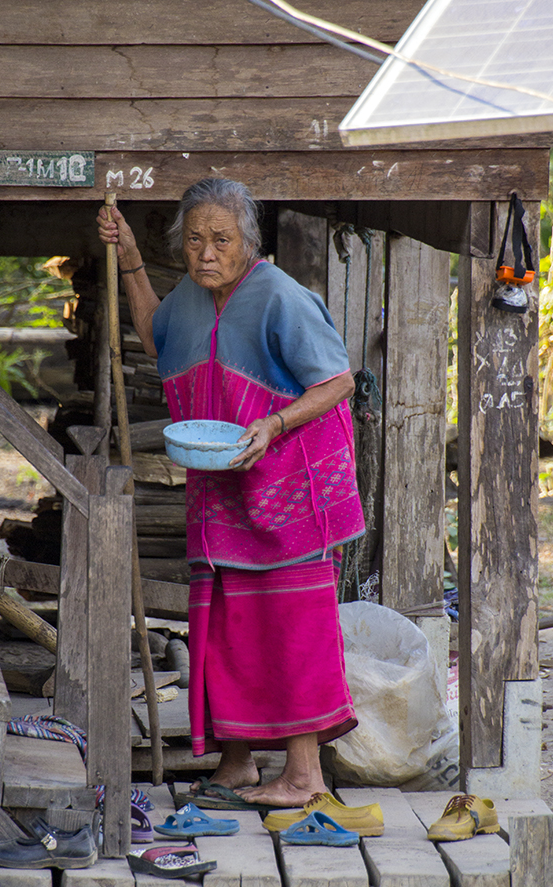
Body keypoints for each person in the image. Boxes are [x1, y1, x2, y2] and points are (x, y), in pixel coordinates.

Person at [97, 178, 365, 808]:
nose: (206, 252)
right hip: (221, 493)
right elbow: (156, 334)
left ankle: (303, 776)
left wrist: (273, 424)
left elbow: (338, 381)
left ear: (248, 242)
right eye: (195, 240)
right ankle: (238, 763)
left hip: (289, 492)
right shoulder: (191, 299)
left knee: (290, 626)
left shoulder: (279, 296)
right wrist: (131, 257)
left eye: (221, 239)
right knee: (222, 626)